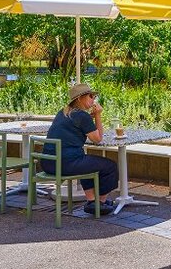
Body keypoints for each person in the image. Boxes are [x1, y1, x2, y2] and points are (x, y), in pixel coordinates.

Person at [42, 83, 119, 215]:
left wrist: (92, 117)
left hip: (48, 163)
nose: (93, 99)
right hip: (65, 164)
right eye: (90, 96)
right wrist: (99, 115)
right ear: (79, 98)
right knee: (110, 167)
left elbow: (79, 126)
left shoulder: (63, 112)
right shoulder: (81, 116)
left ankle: (91, 201)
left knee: (86, 162)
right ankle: (99, 203)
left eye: (94, 96)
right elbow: (98, 138)